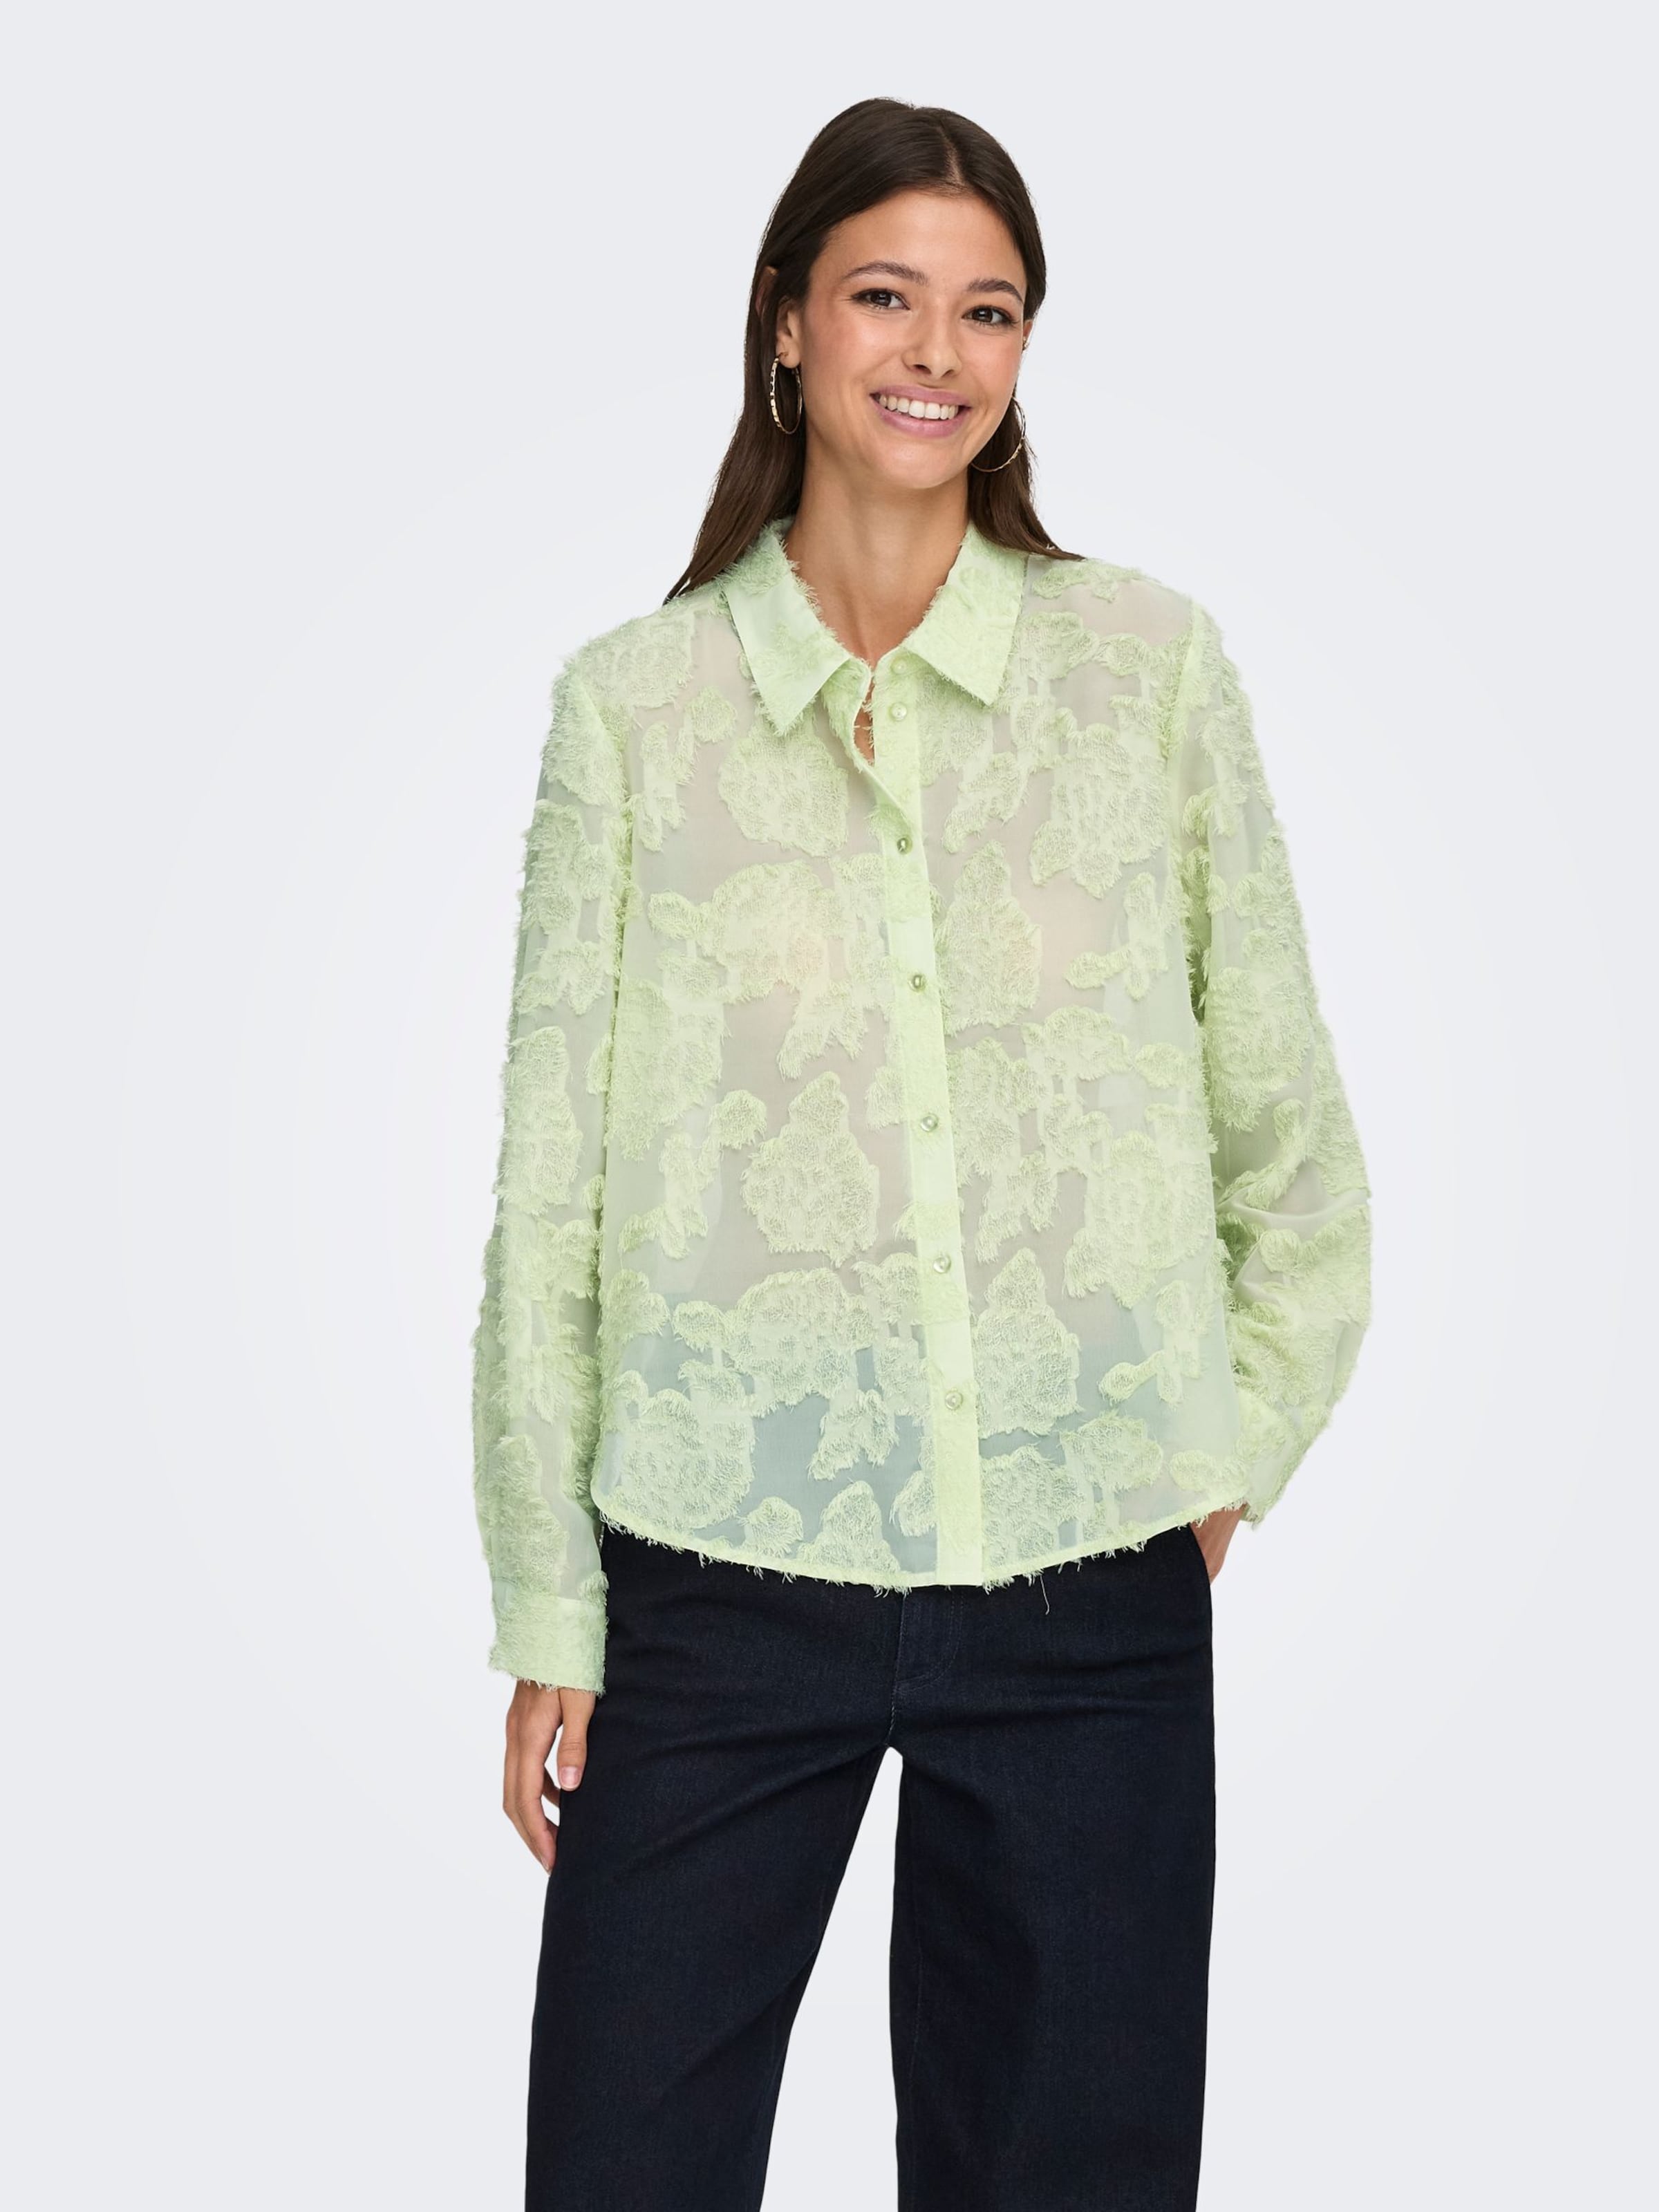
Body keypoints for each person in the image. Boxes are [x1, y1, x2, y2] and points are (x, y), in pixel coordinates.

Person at [470, 96, 1372, 2212]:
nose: (937, 353)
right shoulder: (637, 711)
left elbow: (1292, 1142)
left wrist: (1210, 1462)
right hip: (717, 1577)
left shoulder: (1147, 676)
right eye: (887, 295)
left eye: (991, 310)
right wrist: (550, 1605)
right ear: (787, 321)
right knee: (623, 2163)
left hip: (1091, 1581)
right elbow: (553, 1200)